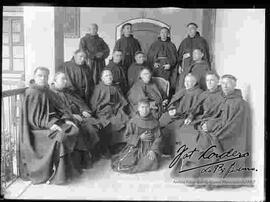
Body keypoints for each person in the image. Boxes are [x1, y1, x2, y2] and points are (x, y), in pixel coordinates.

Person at [171, 74, 251, 190]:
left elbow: (231, 125)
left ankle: (196, 177)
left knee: (201, 142)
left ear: (235, 85)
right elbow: (215, 115)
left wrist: (211, 126)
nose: (225, 86)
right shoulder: (224, 98)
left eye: (228, 83)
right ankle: (188, 172)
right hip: (215, 129)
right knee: (190, 134)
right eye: (223, 83)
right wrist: (207, 123)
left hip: (227, 137)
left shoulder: (239, 104)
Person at [20, 67, 84, 185]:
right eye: (40, 76)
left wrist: (66, 120)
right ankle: (56, 174)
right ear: (34, 77)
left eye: (45, 76)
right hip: (37, 129)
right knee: (61, 136)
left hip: (53, 123)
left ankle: (67, 171)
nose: (43, 78)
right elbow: (33, 119)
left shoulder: (47, 91)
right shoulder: (31, 92)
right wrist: (51, 125)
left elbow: (60, 108)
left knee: (73, 129)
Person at [50, 72, 102, 162]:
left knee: (95, 125)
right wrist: (71, 116)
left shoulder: (68, 91)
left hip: (80, 116)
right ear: (54, 81)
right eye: (62, 79)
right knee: (86, 129)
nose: (65, 81)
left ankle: (92, 155)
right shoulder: (51, 94)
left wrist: (84, 110)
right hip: (67, 119)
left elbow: (79, 102)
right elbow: (56, 112)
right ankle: (85, 159)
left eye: (66, 79)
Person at [111, 99, 162, 173]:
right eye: (142, 107)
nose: (145, 110)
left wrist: (153, 150)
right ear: (138, 109)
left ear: (150, 108)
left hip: (149, 148)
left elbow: (159, 137)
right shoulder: (133, 121)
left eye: (147, 107)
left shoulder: (155, 122)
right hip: (135, 147)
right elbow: (127, 136)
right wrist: (139, 138)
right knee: (126, 163)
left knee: (152, 163)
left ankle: (143, 162)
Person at [159, 73, 203, 156]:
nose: (186, 83)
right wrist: (171, 109)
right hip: (176, 113)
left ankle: (169, 151)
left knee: (171, 128)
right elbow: (173, 101)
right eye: (185, 81)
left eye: (189, 82)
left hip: (186, 116)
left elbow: (197, 108)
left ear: (194, 83)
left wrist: (190, 116)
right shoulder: (183, 90)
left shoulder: (199, 93)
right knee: (160, 122)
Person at [90, 69, 130, 156]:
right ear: (102, 78)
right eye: (106, 76)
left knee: (125, 119)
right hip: (103, 112)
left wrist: (119, 108)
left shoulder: (115, 87)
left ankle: (121, 145)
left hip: (116, 109)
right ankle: (109, 148)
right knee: (108, 124)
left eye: (110, 75)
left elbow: (122, 101)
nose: (109, 77)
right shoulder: (98, 88)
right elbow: (94, 104)